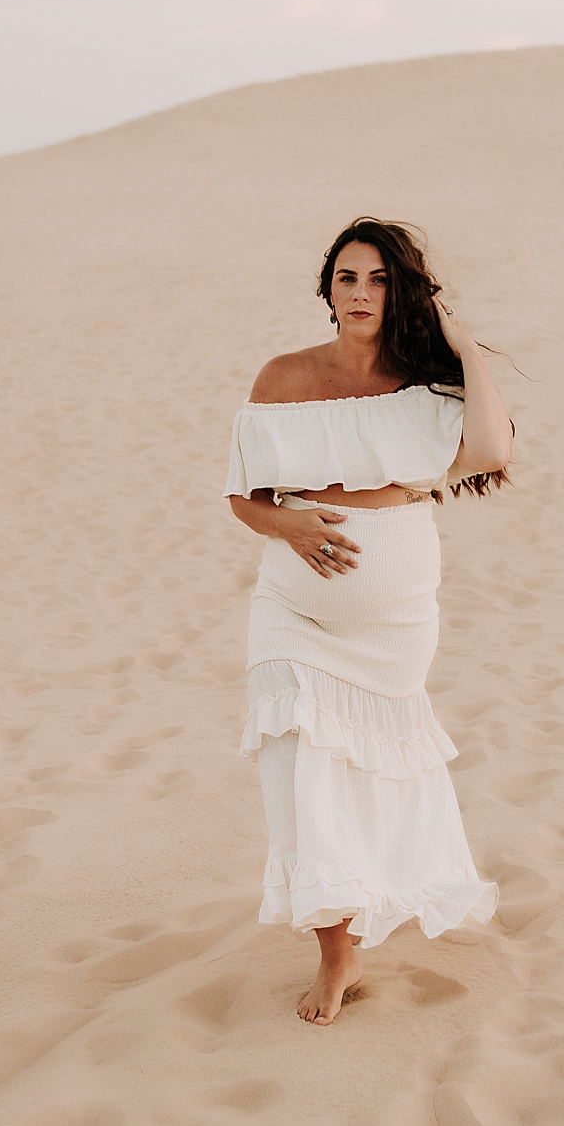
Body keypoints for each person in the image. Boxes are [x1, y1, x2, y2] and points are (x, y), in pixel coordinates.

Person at [224, 218, 512, 1026]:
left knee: (370, 774)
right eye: (348, 278)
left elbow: (489, 449)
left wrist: (461, 342)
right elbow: (242, 494)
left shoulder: (427, 387)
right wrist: (292, 527)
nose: (361, 293)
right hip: (291, 608)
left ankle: (363, 905)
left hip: (392, 624)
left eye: (380, 279)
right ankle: (336, 952)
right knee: (298, 769)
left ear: (403, 291)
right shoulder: (282, 376)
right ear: (327, 289)